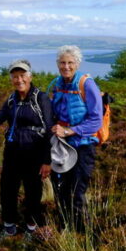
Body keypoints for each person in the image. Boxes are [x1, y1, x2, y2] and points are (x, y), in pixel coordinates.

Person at [0, 59, 53, 241]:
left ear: (30, 76)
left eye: (22, 75)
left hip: (35, 153)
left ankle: (31, 228)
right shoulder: (11, 100)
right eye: (15, 76)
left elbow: (49, 128)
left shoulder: (40, 98)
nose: (19, 80)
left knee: (33, 191)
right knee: (7, 190)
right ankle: (9, 227)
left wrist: (47, 160)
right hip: (12, 153)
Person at [48, 46, 103, 233]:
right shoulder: (56, 84)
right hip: (61, 147)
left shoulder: (87, 85)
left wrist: (70, 131)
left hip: (83, 147)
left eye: (70, 63)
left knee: (76, 193)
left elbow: (96, 121)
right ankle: (65, 230)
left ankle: (85, 236)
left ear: (77, 64)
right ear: (57, 64)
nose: (66, 66)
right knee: (60, 191)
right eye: (62, 63)